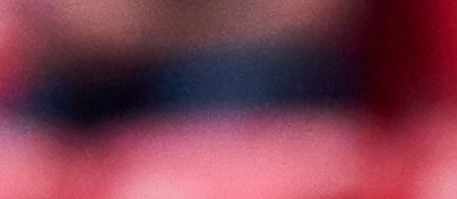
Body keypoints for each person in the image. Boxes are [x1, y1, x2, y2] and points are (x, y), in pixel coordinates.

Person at [21, 0, 368, 124]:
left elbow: (312, 17)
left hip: (254, 69)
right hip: (98, 75)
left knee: (224, 82)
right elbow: (76, 23)